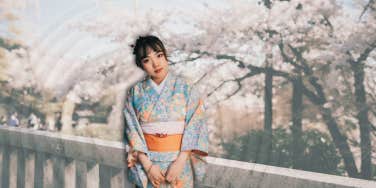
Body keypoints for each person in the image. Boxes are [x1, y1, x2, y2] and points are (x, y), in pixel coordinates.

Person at [123, 35, 208, 188]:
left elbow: (195, 127)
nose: (156, 63)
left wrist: (180, 162)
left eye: (159, 55)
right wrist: (148, 167)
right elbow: (132, 131)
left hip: (179, 166)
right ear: (141, 65)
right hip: (148, 167)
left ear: (165, 55)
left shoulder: (187, 89)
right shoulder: (135, 93)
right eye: (147, 60)